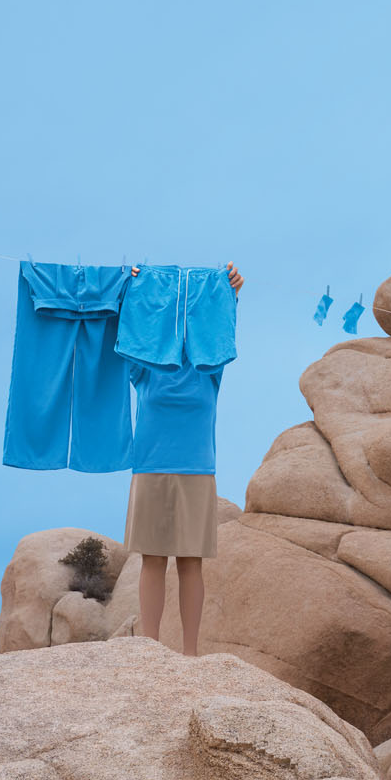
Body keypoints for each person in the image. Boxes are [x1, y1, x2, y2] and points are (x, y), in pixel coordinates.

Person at [126, 262, 243, 656]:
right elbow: (133, 331)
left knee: (191, 562)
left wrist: (232, 293)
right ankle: (150, 649)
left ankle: (190, 654)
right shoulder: (145, 367)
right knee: (153, 559)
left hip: (197, 469)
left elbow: (222, 330)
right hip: (151, 466)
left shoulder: (210, 369)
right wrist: (138, 292)